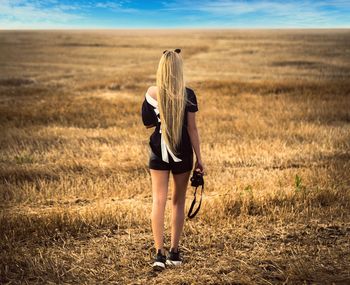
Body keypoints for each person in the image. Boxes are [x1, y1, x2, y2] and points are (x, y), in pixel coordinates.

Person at [141, 48, 205, 271]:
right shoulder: (188, 94)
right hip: (182, 152)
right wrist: (200, 159)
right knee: (178, 201)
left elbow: (148, 124)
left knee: (158, 200)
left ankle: (159, 254)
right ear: (179, 69)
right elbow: (192, 129)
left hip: (158, 151)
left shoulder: (150, 93)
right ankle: (174, 253)